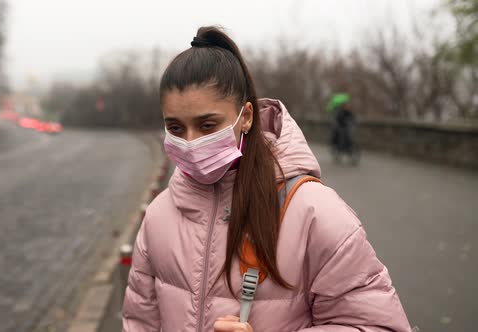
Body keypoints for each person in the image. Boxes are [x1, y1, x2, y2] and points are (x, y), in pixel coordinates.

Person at [122, 26, 410, 332]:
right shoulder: (158, 216)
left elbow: (379, 325)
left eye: (207, 125)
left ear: (246, 116)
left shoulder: (315, 212)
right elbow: (139, 323)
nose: (191, 142)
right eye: (176, 128)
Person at [327, 93, 358, 164]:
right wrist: (339, 125)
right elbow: (337, 120)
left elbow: (352, 117)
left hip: (347, 127)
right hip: (340, 128)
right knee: (340, 136)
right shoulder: (338, 112)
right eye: (346, 105)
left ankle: (349, 149)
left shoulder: (348, 111)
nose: (347, 106)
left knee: (349, 137)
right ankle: (338, 148)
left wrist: (354, 122)